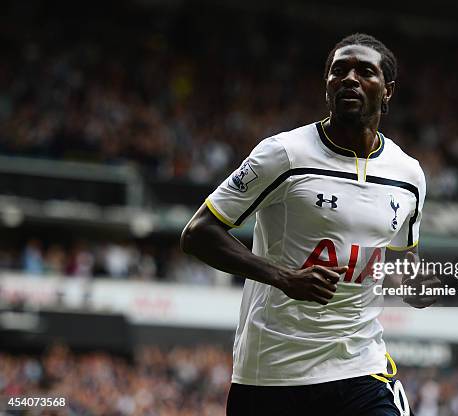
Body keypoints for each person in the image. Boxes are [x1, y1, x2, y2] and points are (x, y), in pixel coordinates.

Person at [182, 33, 436, 416]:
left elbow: (400, 261)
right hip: (273, 370)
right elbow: (198, 234)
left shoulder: (408, 175)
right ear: (328, 86)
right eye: (339, 71)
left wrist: (417, 285)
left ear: (387, 92)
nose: (350, 78)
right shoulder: (284, 154)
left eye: (365, 71)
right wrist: (285, 277)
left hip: (360, 365)